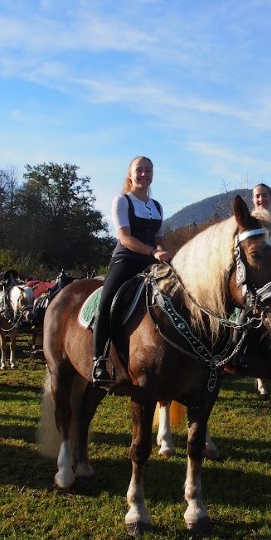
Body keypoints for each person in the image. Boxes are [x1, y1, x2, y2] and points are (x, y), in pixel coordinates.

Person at [92, 156, 170, 384]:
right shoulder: (122, 201)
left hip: (152, 264)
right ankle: (99, 360)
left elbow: (160, 240)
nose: (144, 174)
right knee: (106, 303)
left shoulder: (157, 207)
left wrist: (167, 256)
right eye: (139, 170)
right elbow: (125, 238)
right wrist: (153, 252)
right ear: (130, 174)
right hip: (125, 261)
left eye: (148, 170)